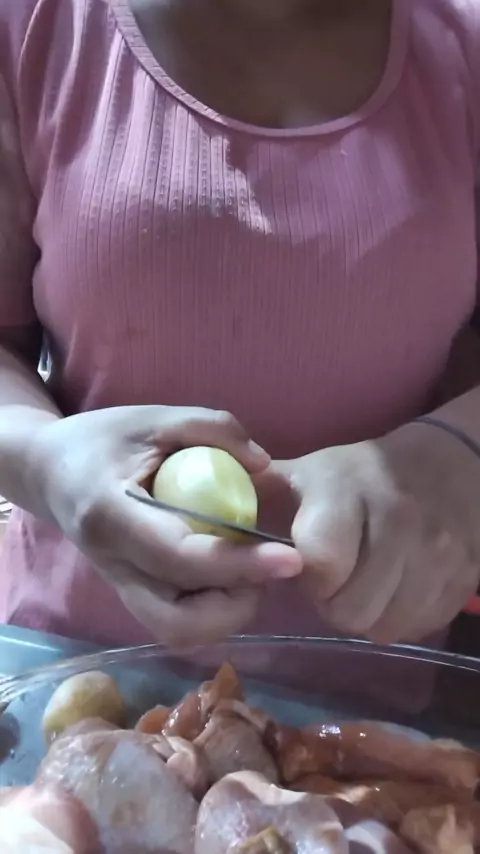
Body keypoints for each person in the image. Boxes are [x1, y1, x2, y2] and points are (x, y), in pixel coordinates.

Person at [1, 0, 480, 650]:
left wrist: (460, 450)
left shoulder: (464, 41)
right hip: (79, 659)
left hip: (377, 676)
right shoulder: (31, 25)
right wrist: (43, 461)